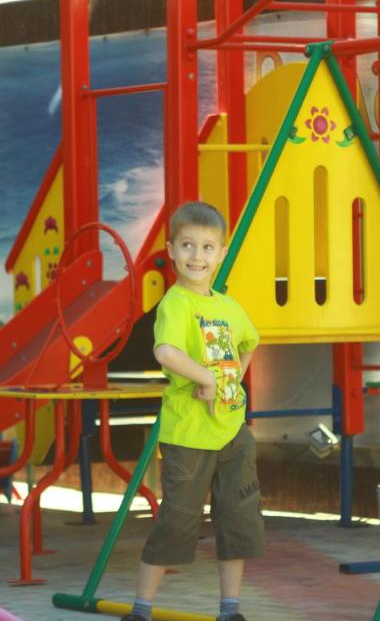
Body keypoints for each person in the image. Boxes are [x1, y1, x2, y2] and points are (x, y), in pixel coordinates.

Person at [122, 201, 264, 621]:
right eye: (187, 246)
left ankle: (230, 610)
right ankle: (142, 609)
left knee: (237, 519)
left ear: (221, 254)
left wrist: (232, 381)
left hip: (233, 433)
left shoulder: (228, 306)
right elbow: (166, 351)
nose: (197, 256)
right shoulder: (176, 303)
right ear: (171, 250)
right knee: (177, 520)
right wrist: (206, 378)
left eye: (207, 247)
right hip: (188, 435)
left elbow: (250, 342)